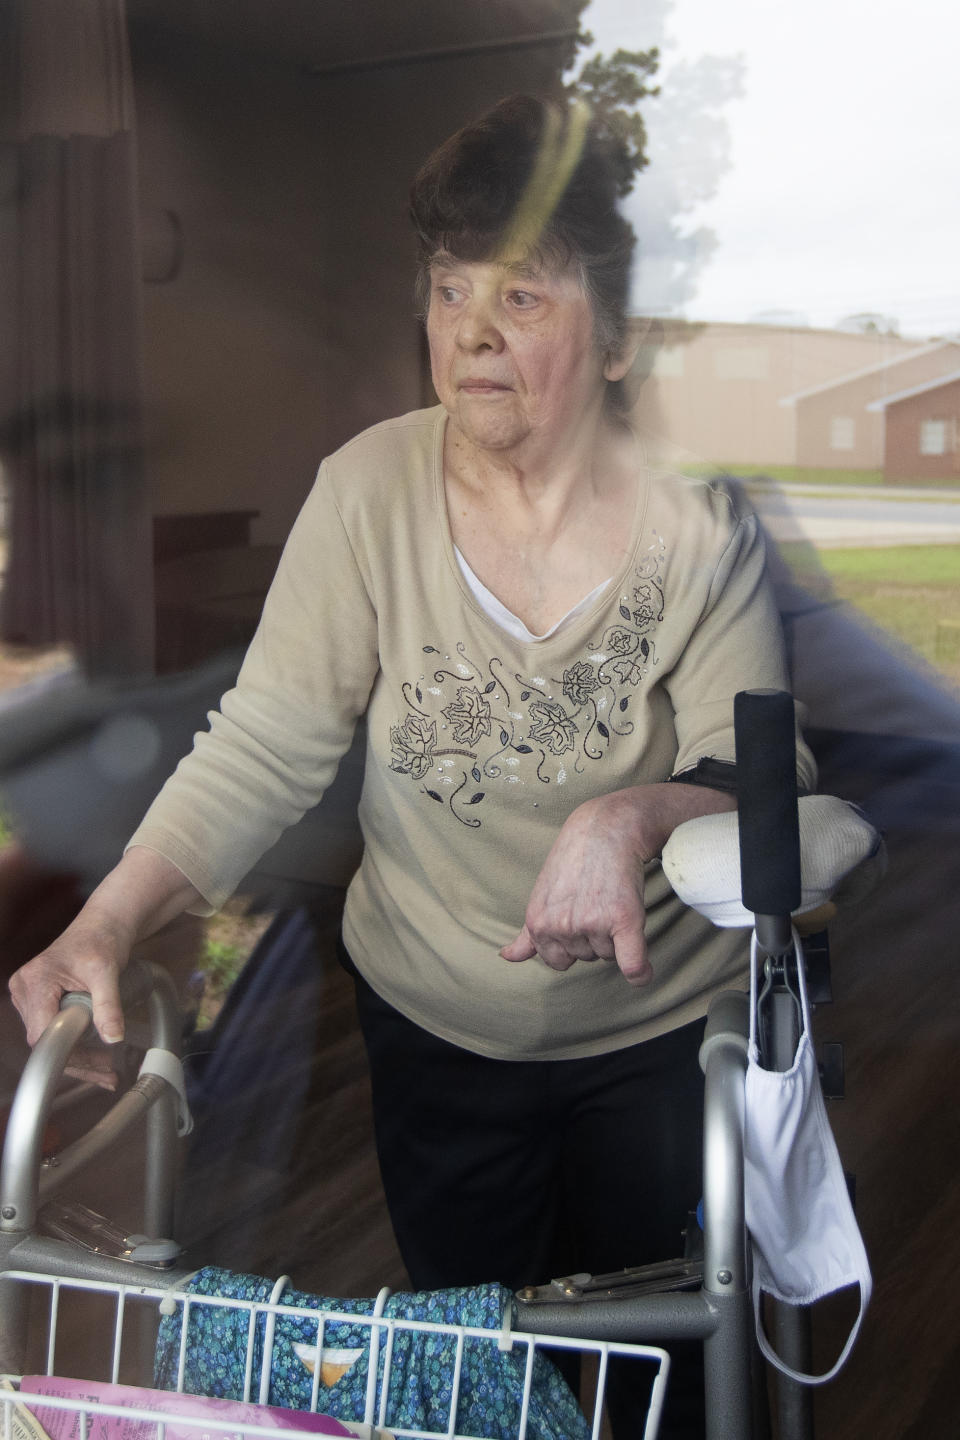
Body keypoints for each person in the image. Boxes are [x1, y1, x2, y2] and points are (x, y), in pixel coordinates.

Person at [9, 95, 815, 1436]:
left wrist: (627, 816)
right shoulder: (365, 492)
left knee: (649, 1369)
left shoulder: (700, 534)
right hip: (436, 1029)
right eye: (450, 291)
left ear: (616, 343)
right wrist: (108, 919)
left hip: (654, 1038)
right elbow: (266, 741)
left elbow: (756, 774)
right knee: (473, 1362)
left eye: (524, 298)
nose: (473, 332)